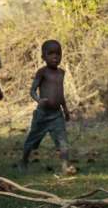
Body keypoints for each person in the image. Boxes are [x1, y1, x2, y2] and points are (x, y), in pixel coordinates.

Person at [20, 39, 76, 175]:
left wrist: (66, 110)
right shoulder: (42, 72)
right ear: (43, 57)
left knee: (63, 142)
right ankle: (23, 162)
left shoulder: (61, 73)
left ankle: (65, 166)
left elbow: (60, 93)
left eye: (58, 53)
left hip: (57, 115)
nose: (55, 56)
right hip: (43, 114)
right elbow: (32, 90)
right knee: (32, 140)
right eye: (51, 53)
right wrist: (38, 100)